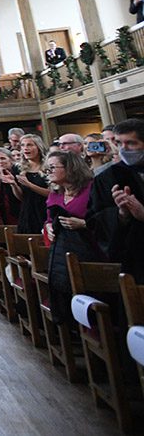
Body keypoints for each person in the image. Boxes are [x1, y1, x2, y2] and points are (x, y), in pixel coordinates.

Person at [44, 150, 98, 325]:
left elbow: (107, 218)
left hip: (91, 250)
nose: (48, 171)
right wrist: (49, 227)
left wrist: (83, 224)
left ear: (71, 168)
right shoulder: (56, 192)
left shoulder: (92, 188)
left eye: (52, 167)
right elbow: (49, 219)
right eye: (47, 168)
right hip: (62, 254)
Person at [89, 118, 144, 281]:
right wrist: (120, 215)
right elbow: (94, 218)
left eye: (131, 143)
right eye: (119, 143)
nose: (123, 149)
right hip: (134, 259)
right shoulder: (107, 177)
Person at [12, 134, 50, 234]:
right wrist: (13, 184)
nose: (25, 148)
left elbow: (53, 194)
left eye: (29, 145)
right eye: (23, 145)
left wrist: (30, 185)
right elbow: (21, 197)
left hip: (45, 210)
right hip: (27, 211)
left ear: (39, 147)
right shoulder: (18, 168)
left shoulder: (49, 166)